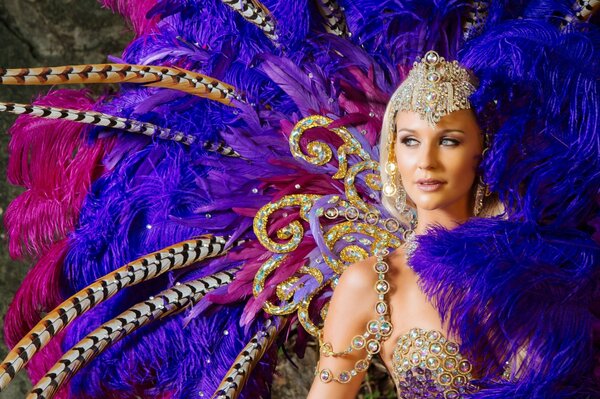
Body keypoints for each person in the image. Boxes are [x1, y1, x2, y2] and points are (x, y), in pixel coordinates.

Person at [308, 51, 491, 399]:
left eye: (448, 140)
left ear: (483, 149)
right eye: (410, 140)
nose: (425, 161)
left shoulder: (541, 264)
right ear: (393, 154)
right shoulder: (372, 284)